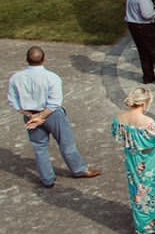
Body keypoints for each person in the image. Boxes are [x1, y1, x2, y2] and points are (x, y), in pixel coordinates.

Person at [8, 46, 102, 188]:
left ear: (27, 60)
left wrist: (32, 116)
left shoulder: (15, 78)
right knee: (66, 144)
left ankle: (47, 179)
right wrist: (41, 116)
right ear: (44, 59)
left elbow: (13, 102)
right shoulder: (52, 77)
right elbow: (54, 103)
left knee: (40, 147)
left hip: (31, 116)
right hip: (52, 115)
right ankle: (79, 170)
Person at [111, 87, 155, 234]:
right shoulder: (149, 122)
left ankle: (145, 225)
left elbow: (117, 137)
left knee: (139, 190)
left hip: (132, 159)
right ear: (144, 103)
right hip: (152, 160)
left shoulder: (119, 119)